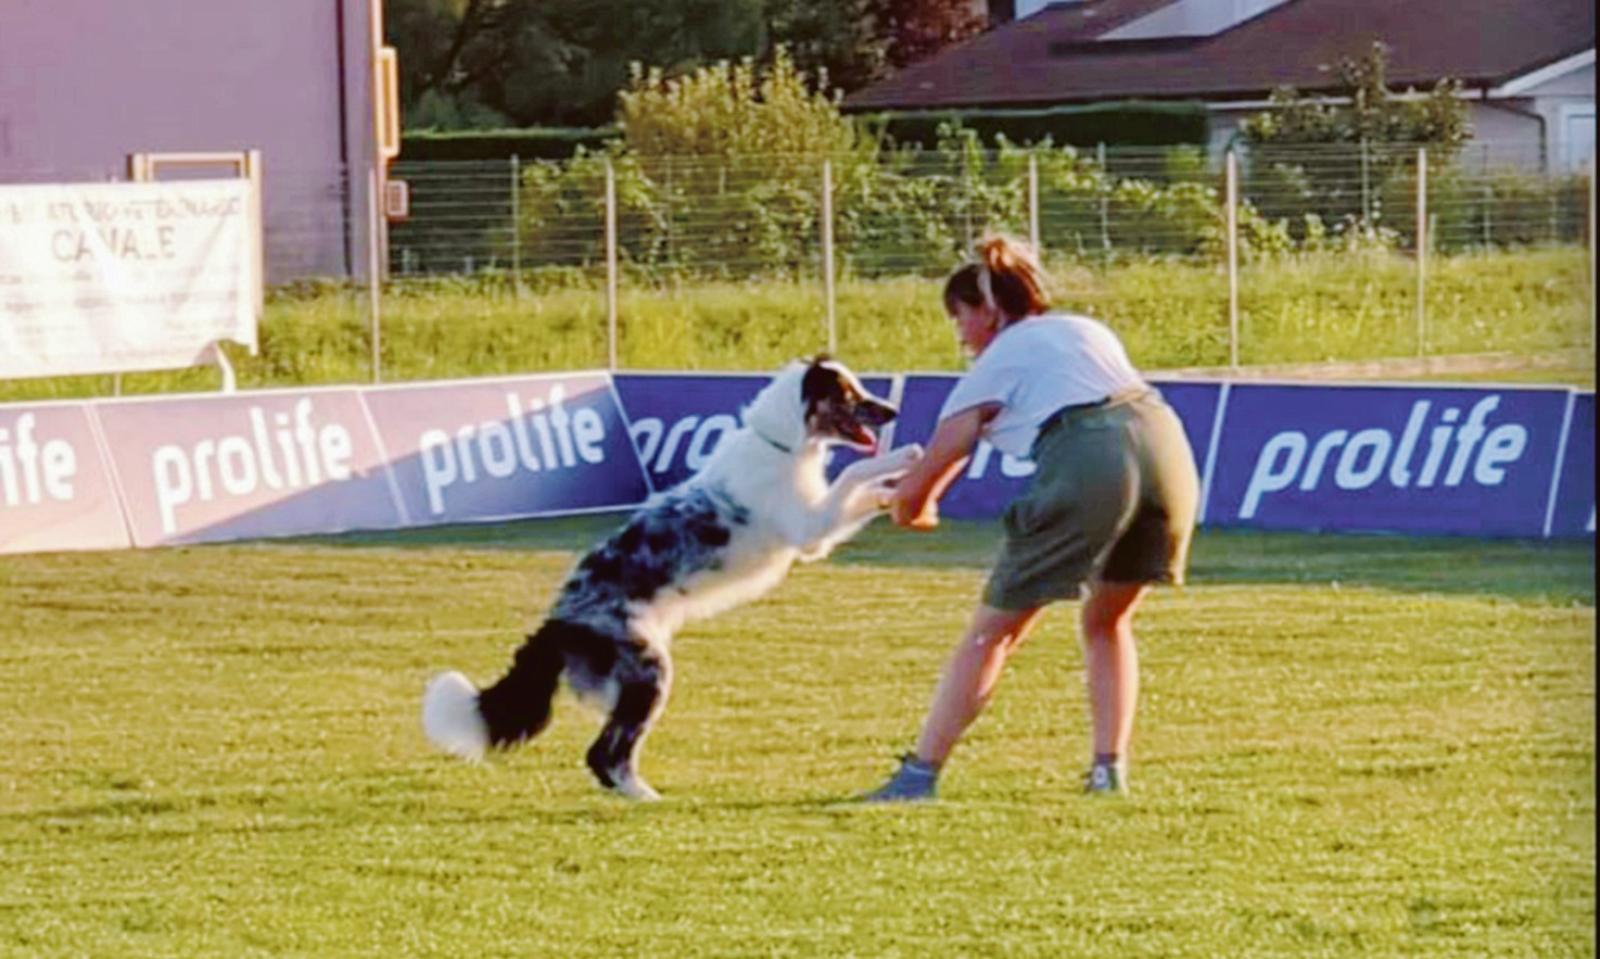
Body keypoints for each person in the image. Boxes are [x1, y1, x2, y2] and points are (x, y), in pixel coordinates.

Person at [862, 234, 1199, 801]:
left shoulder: (994, 364)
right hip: (1165, 445)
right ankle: (1107, 771)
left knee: (992, 633)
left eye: (960, 317)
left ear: (989, 312)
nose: (960, 334)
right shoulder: (1083, 329)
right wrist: (918, 502)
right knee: (1108, 621)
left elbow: (934, 471)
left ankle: (918, 775)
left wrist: (906, 505)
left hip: (1088, 456)